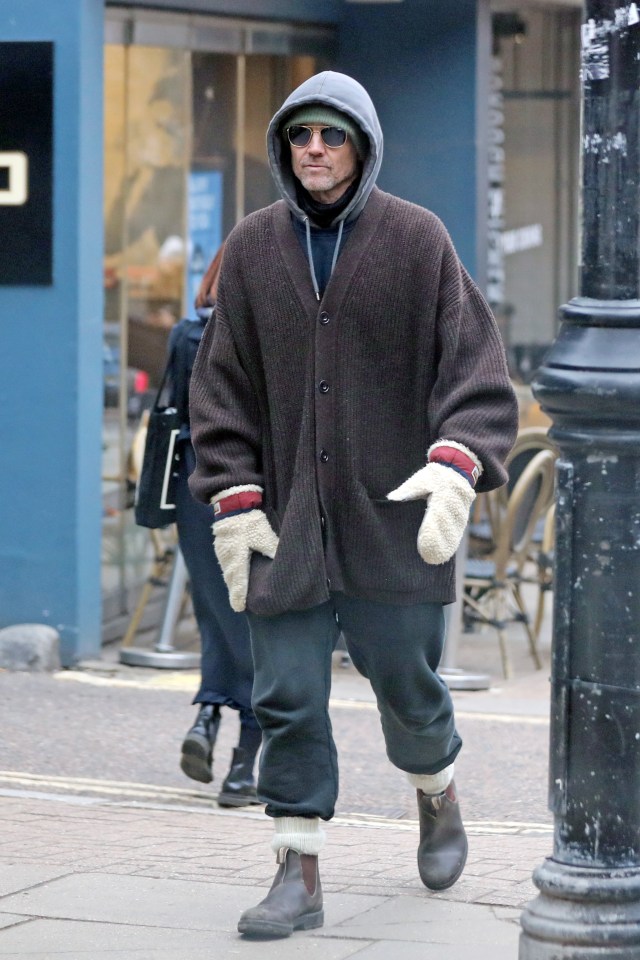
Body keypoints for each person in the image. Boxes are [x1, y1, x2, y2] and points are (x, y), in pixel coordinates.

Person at [188, 71, 519, 938]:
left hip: (393, 522)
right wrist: (234, 494)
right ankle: (297, 873)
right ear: (283, 149)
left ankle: (436, 790)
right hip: (285, 524)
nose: (316, 151)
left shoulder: (418, 241)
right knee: (286, 695)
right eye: (301, 136)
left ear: (362, 146)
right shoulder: (255, 248)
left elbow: (477, 370)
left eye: (333, 136)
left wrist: (456, 468)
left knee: (408, 689)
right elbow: (218, 387)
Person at [167, 244, 262, 808]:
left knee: (217, 616)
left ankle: (206, 718)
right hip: (254, 494)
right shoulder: (263, 342)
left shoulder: (185, 334)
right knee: (258, 627)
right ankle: (244, 771)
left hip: (193, 497)